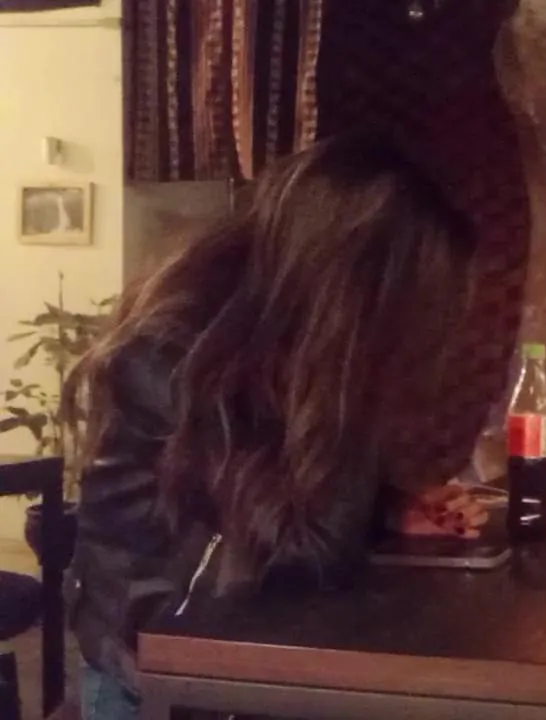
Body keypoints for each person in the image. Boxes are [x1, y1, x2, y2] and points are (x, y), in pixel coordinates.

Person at [64, 133, 491, 720]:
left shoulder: (286, 351)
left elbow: (288, 503)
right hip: (159, 683)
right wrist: (348, 394)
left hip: (230, 671)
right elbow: (297, 549)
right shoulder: (172, 360)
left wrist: (390, 509)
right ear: (352, 284)